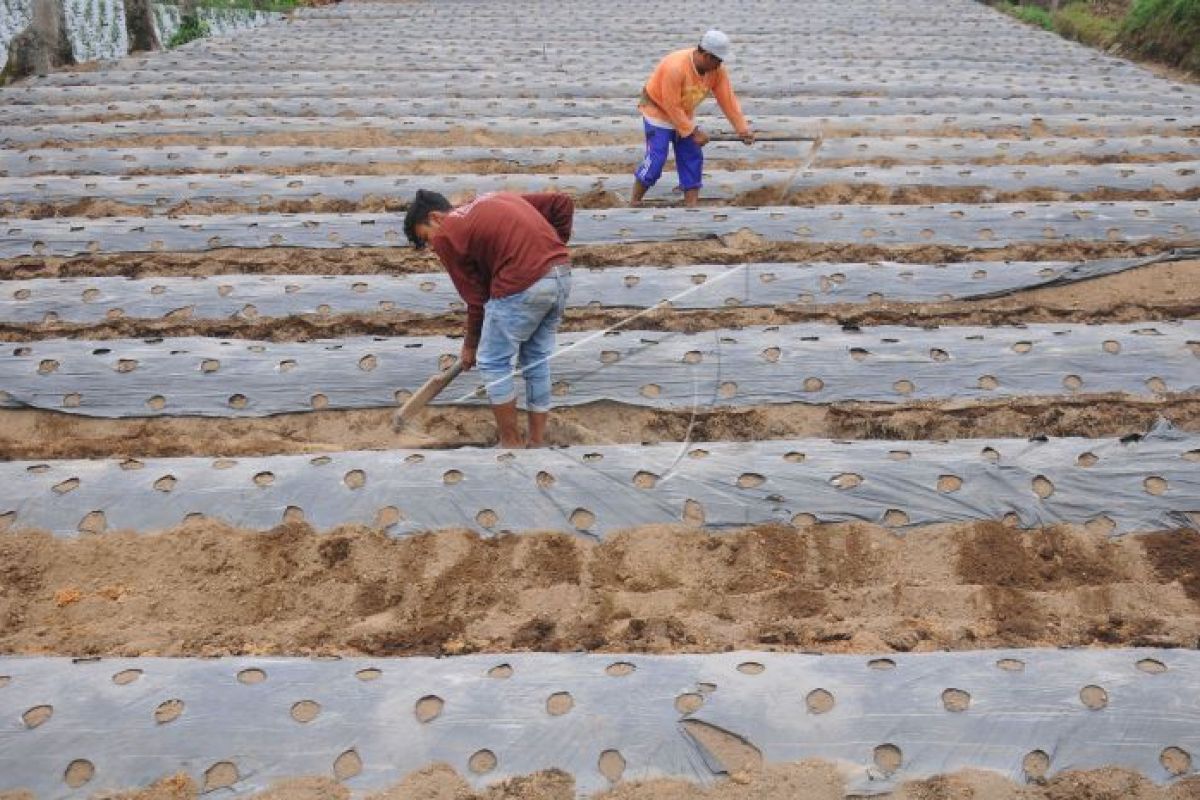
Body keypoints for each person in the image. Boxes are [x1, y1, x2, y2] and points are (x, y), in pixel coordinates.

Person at [403, 190, 574, 448]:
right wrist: (550, 252)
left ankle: (511, 444)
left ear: (435, 217)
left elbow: (477, 298)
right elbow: (562, 202)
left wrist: (471, 345)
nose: (432, 248)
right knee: (536, 359)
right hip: (560, 275)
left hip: (522, 283)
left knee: (493, 362)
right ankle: (537, 442)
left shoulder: (448, 232)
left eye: (426, 239)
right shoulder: (493, 198)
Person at [631, 29, 755, 208]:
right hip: (658, 111)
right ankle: (634, 201)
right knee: (656, 159)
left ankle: (691, 207)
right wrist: (691, 131)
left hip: (683, 113)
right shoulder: (675, 67)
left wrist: (742, 129)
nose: (720, 65)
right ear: (706, 56)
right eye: (718, 60)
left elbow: (727, 99)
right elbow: (671, 105)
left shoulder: (717, 71)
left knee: (692, 155)